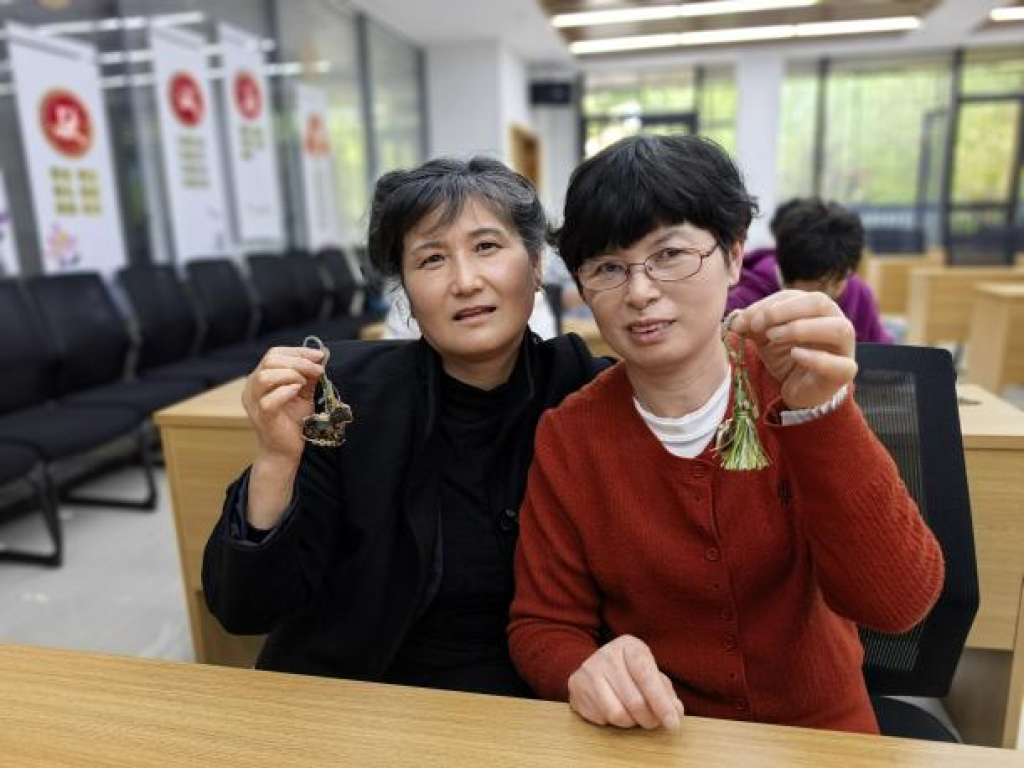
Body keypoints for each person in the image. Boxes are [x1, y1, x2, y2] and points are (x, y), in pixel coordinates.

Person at [508, 134, 943, 734]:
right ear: (583, 289)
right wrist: (581, 667)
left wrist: (823, 414)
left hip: (822, 733)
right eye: (608, 268)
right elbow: (543, 625)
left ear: (734, 257)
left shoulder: (793, 385)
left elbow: (897, 604)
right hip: (667, 738)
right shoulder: (570, 436)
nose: (640, 292)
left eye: (670, 254)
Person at [202, 157, 609, 696]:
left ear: (535, 266)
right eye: (432, 258)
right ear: (407, 297)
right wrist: (277, 460)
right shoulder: (342, 397)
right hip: (367, 700)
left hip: (543, 701)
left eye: (487, 247)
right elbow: (245, 608)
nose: (466, 281)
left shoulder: (588, 391)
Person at [726, 198, 893, 343]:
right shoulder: (745, 300)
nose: (831, 292)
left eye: (839, 280)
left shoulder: (858, 293)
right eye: (821, 284)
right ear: (788, 276)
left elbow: (881, 353)